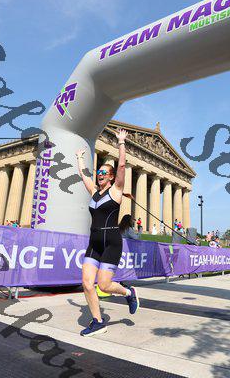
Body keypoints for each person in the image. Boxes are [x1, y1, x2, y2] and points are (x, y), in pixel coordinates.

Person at [75, 128, 139, 337]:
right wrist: (79, 158)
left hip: (111, 243)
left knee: (103, 285)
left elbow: (121, 165)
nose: (100, 175)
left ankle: (128, 292)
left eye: (104, 173)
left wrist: (121, 142)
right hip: (94, 243)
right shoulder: (94, 192)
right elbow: (83, 175)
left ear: (111, 178)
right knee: (87, 283)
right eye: (99, 173)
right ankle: (98, 321)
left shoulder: (116, 191)